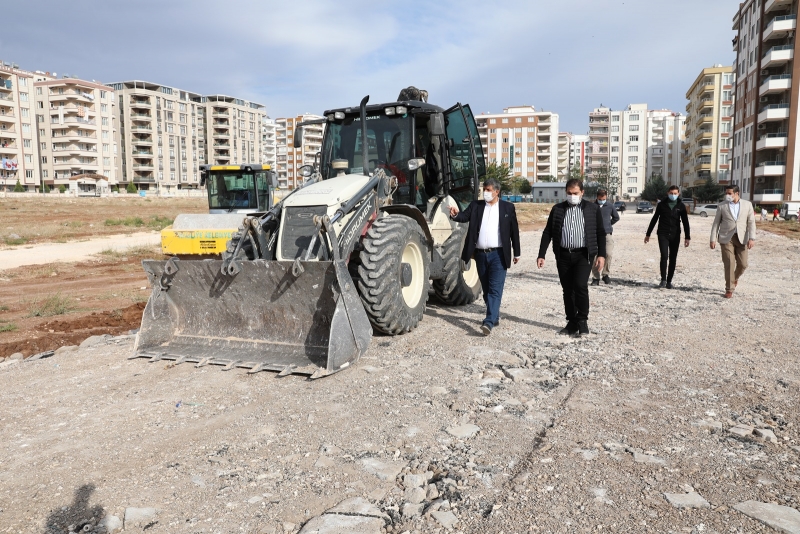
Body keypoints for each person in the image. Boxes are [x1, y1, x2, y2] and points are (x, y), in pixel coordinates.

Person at [449, 178, 520, 336]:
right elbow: (463, 217)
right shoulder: (476, 205)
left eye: (488, 190)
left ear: (497, 192)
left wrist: (517, 252)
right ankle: (494, 316)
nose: (485, 193)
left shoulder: (508, 207)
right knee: (487, 290)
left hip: (498, 255)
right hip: (480, 255)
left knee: (495, 289)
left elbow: (514, 231)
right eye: (484, 190)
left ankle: (488, 321)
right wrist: (455, 214)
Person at [537, 179, 606, 337]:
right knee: (567, 290)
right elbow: (548, 232)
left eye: (575, 193)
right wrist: (541, 254)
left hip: (583, 255)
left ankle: (582, 320)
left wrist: (601, 255)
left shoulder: (592, 209)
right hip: (563, 254)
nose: (572, 196)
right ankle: (572, 322)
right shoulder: (558, 209)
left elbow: (600, 233)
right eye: (569, 193)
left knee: (580, 286)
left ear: (582, 192)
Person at [710, 184, 756, 298]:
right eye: (726, 193)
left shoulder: (747, 205)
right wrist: (713, 239)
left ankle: (734, 278)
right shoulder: (722, 205)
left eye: (730, 193)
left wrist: (752, 238)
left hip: (742, 238)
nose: (727, 195)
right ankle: (729, 289)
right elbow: (716, 223)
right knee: (729, 263)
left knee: (743, 264)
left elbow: (751, 222)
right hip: (726, 238)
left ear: (737, 193)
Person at [644, 185, 690, 289]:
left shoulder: (681, 206)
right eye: (671, 193)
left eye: (675, 193)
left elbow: (685, 222)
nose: (673, 195)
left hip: (675, 234)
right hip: (663, 233)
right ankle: (663, 280)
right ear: (667, 193)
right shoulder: (662, 205)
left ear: (678, 194)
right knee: (664, 256)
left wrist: (687, 237)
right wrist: (648, 234)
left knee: (673, 257)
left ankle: (669, 281)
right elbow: (654, 219)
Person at [590, 189, 620, 286]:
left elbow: (616, 217)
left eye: (603, 199)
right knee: (594, 256)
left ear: (606, 197)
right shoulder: (592, 206)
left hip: (607, 234)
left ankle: (605, 274)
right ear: (597, 197)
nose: (602, 201)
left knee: (608, 254)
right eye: (600, 199)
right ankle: (595, 278)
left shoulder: (610, 206)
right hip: (594, 234)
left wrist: (608, 224)